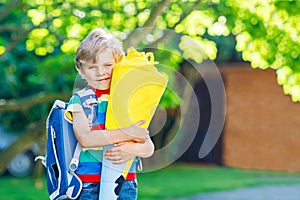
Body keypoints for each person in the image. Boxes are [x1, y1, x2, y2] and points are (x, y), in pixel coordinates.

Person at [64, 28, 154, 200]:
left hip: (124, 183)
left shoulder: (128, 100)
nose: (100, 72)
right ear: (80, 70)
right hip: (89, 185)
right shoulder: (80, 100)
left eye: (107, 65)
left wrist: (132, 150)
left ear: (119, 63)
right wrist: (128, 132)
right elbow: (86, 139)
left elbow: (148, 147)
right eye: (92, 67)